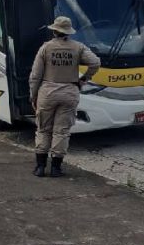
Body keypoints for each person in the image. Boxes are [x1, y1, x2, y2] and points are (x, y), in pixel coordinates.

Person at [29, 16, 100, 177]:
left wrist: (33, 96)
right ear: (69, 32)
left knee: (43, 129)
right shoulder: (78, 47)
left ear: (54, 31)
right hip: (70, 92)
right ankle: (56, 168)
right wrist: (84, 79)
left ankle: (40, 167)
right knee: (61, 131)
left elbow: (35, 75)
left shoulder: (45, 48)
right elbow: (95, 62)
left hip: (47, 92)